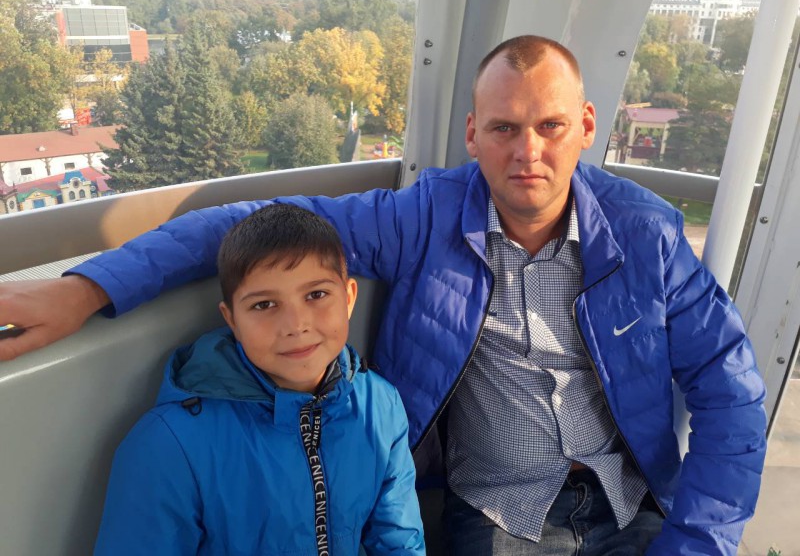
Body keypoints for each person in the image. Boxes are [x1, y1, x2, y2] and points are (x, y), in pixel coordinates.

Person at [0, 36, 766, 555]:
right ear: (472, 134)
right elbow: (249, 226)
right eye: (504, 129)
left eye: (551, 126)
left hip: (632, 505)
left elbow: (730, 391)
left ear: (586, 127)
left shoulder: (646, 234)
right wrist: (89, 289)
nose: (527, 152)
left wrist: (697, 543)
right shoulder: (423, 218)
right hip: (501, 516)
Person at [93, 205, 425, 555]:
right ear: (232, 320)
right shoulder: (169, 444)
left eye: (316, 295)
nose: (296, 325)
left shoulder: (381, 405)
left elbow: (399, 540)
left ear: (349, 299)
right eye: (265, 305)